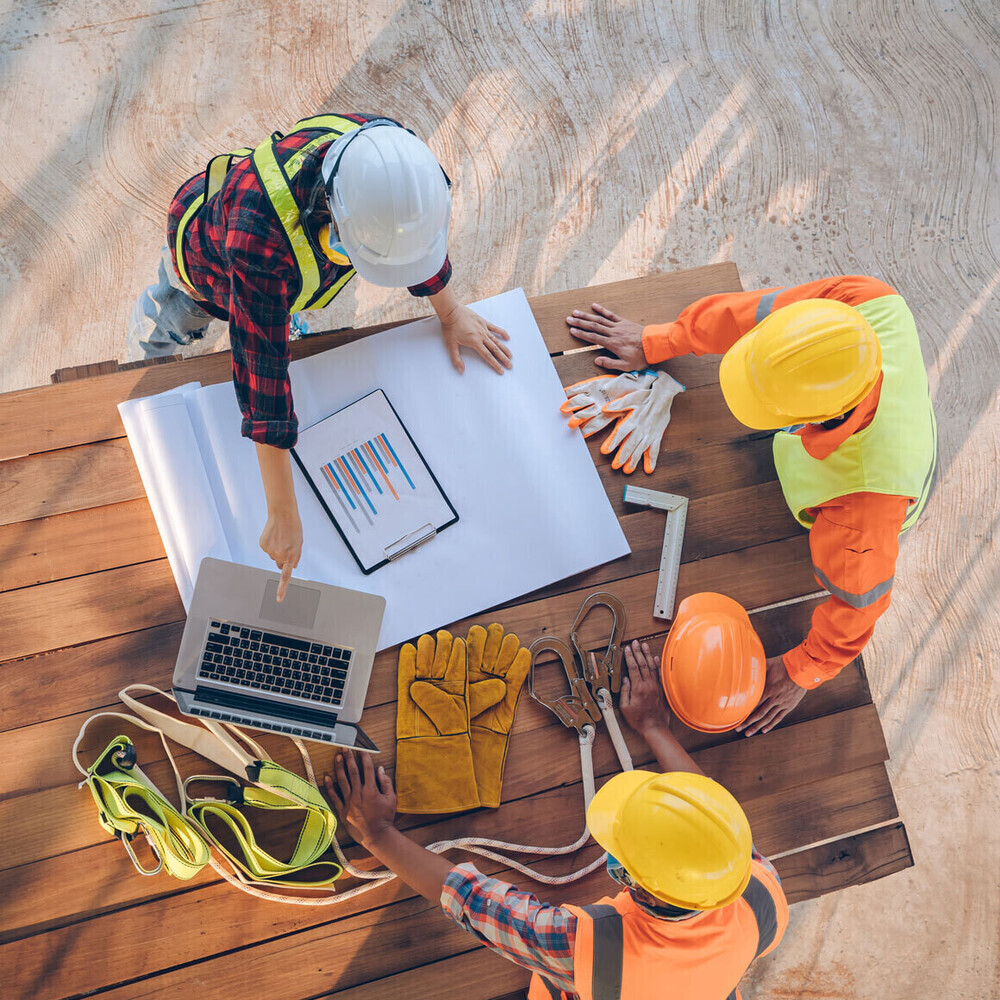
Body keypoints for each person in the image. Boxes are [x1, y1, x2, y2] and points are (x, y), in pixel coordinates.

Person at [130, 113, 512, 598]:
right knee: (170, 326)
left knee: (272, 307)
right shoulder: (260, 242)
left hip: (274, 270)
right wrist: (283, 515)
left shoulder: (388, 158)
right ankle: (150, 344)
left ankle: (277, 307)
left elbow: (410, 241)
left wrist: (450, 310)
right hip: (203, 269)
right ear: (331, 219)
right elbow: (261, 371)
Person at [564, 275, 936, 735]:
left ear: (811, 420)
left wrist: (806, 668)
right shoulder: (865, 302)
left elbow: (861, 606)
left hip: (875, 487)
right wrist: (660, 340)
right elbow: (752, 313)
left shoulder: (860, 519)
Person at [325, 641, 787, 1000]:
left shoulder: (591, 952)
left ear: (637, 884)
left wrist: (377, 834)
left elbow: (477, 903)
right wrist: (653, 727)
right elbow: (705, 820)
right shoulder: (757, 890)